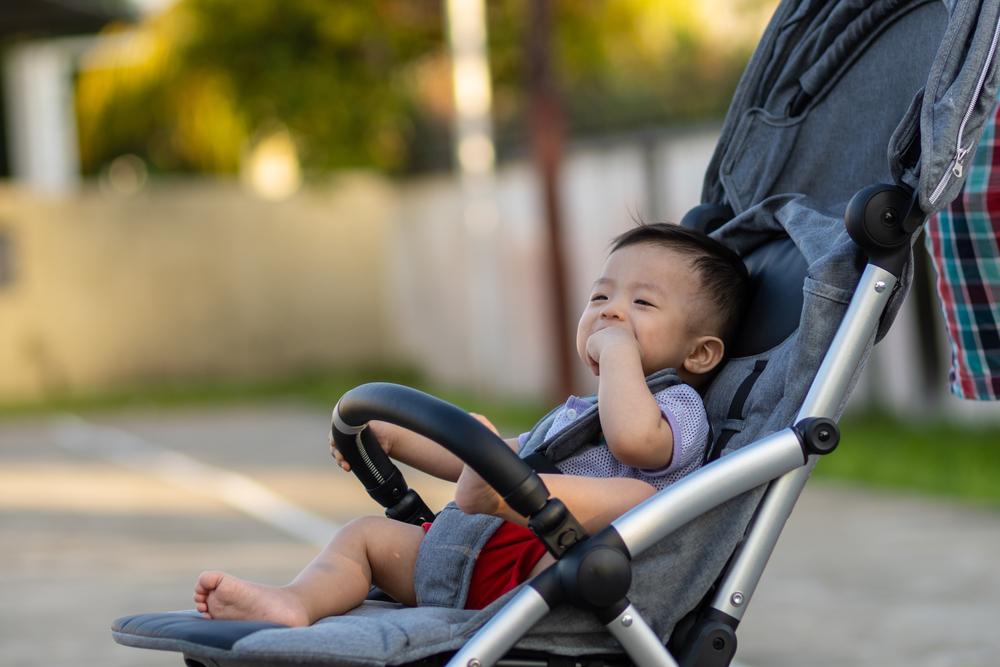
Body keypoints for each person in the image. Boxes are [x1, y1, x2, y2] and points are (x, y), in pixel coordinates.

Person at [193, 223, 749, 626]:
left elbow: (633, 441)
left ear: (699, 355)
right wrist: (395, 439)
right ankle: (295, 601)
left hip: (557, 569)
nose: (610, 312)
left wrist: (620, 356)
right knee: (361, 537)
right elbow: (493, 454)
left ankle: (502, 495)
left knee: (635, 497)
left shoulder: (678, 405)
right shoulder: (576, 416)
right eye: (600, 296)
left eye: (642, 304)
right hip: (466, 551)